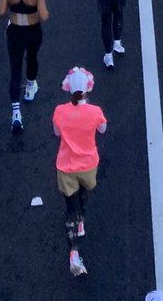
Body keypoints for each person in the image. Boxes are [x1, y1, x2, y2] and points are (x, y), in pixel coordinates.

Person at [52, 66, 108, 278]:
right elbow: (103, 130)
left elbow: (57, 132)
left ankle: (74, 252)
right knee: (84, 196)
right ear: (87, 89)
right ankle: (81, 220)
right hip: (88, 164)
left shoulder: (60, 111)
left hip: (66, 166)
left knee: (70, 207)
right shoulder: (95, 112)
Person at [0, 0, 49, 131]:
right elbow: (44, 16)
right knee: (32, 59)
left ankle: (16, 113)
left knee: (15, 68)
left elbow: (0, 11)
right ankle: (30, 88)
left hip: (15, 33)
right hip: (33, 32)